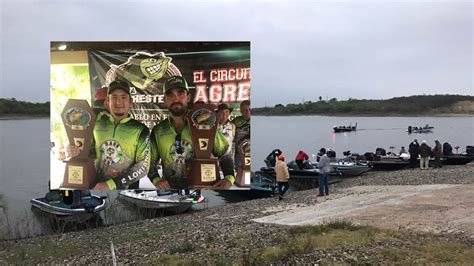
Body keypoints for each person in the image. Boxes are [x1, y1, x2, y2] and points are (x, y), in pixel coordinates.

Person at [148, 76, 235, 190]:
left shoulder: (205, 124)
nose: (176, 99)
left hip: (202, 189)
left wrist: (229, 178)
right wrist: (156, 180)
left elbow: (225, 153)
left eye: (181, 93)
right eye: (170, 95)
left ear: (188, 97)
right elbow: (150, 161)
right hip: (171, 191)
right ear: (164, 100)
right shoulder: (158, 130)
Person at [67, 80, 150, 190]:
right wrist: (76, 149)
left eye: (123, 97)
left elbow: (143, 166)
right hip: (96, 185)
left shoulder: (141, 130)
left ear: (130, 102)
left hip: (125, 189)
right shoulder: (96, 123)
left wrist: (112, 184)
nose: (118, 102)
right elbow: (89, 151)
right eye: (114, 97)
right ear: (107, 101)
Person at [232, 100, 250, 171]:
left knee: (251, 173)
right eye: (245, 110)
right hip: (239, 153)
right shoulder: (235, 122)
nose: (248, 112)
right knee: (240, 173)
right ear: (241, 111)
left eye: (249, 109)